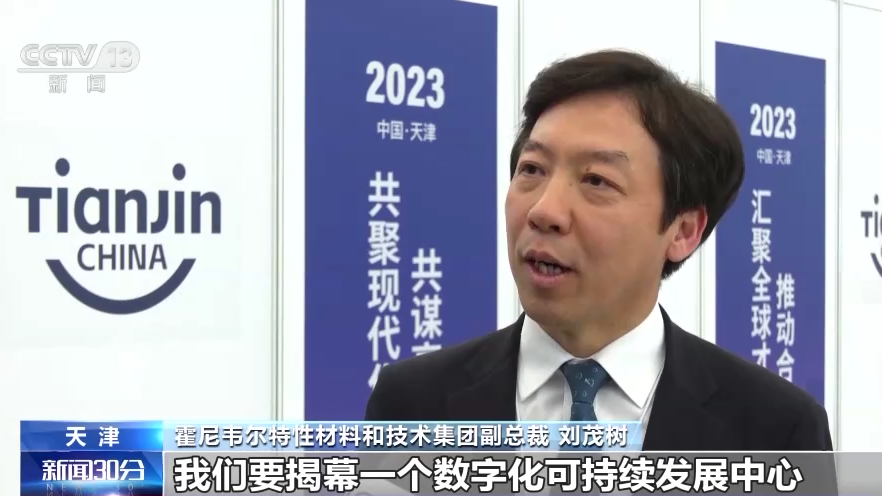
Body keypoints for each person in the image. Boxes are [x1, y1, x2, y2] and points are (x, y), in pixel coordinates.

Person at [364, 50, 834, 452]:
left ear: (683, 230)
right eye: (532, 169)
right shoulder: (411, 403)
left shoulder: (776, 430)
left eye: (596, 181)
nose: (545, 211)